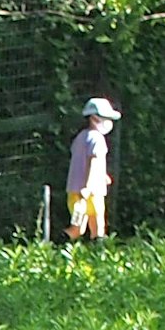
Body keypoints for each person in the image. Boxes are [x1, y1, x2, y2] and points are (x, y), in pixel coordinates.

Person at [65, 97, 119, 241]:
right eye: (106, 118)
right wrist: (88, 187)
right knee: (98, 226)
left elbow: (79, 161)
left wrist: (103, 175)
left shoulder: (80, 137)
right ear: (95, 118)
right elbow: (93, 161)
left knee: (77, 228)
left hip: (74, 190)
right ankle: (99, 253)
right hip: (92, 191)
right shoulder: (97, 139)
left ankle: (56, 246)